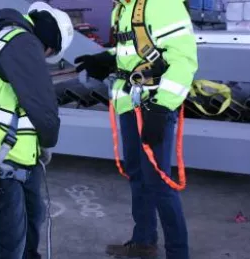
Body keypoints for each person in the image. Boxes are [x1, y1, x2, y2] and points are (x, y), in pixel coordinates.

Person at [74, 0, 197, 258]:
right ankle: (144, 241)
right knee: (138, 174)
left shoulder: (163, 4)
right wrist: (107, 60)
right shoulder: (122, 8)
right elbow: (133, 52)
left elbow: (183, 60)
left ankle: (178, 252)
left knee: (158, 182)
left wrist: (161, 109)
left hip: (153, 106)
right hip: (129, 104)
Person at [0, 2, 74, 259]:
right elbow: (43, 105)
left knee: (32, 218)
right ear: (49, 43)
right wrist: (48, 143)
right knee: (11, 243)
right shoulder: (23, 42)